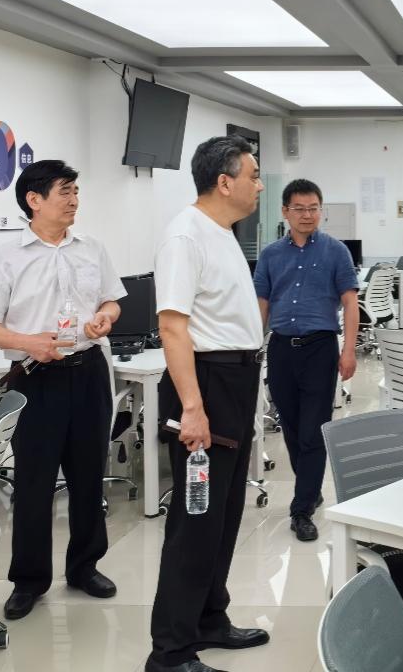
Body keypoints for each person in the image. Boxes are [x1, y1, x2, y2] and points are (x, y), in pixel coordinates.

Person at [0, 160, 123, 621]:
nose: (74, 200)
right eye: (64, 192)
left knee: (88, 476)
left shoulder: (91, 248)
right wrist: (28, 341)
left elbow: (111, 299)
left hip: (88, 371)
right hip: (35, 377)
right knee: (34, 483)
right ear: (34, 200)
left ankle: (85, 567)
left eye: (76, 191)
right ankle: (29, 581)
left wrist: (106, 317)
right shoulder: (5, 257)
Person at [147, 136, 270, 672]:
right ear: (225, 182)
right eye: (253, 175)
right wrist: (192, 409)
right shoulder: (185, 236)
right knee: (196, 521)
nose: (260, 185)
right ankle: (171, 651)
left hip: (235, 382)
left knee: (224, 513)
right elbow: (172, 328)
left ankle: (209, 619)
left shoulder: (221, 232)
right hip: (207, 386)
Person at [255, 179, 359, 543]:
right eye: (299, 208)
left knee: (314, 430)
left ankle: (301, 510)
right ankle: (310, 489)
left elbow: (350, 303)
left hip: (320, 347)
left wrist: (349, 351)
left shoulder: (336, 251)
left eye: (313, 208)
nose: (307, 215)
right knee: (292, 427)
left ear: (321, 210)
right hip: (281, 348)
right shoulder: (270, 255)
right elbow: (262, 304)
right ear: (285, 211)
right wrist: (251, 346)